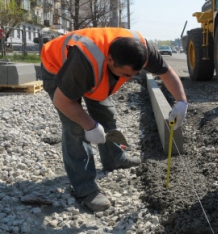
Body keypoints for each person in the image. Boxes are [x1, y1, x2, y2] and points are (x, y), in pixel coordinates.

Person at [41, 27, 188, 212]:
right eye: (126, 75)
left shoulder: (141, 48)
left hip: (92, 69)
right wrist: (90, 125)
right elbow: (62, 101)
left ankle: (114, 158)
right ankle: (85, 189)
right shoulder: (86, 61)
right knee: (76, 128)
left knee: (106, 113)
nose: (129, 80)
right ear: (110, 60)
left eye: (135, 75)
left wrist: (182, 101)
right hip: (58, 66)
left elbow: (166, 72)